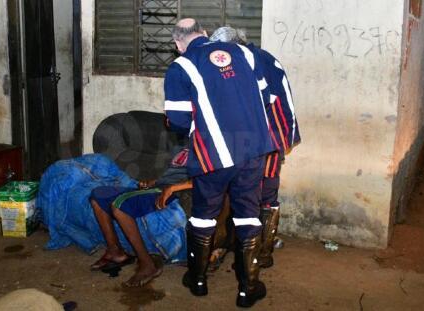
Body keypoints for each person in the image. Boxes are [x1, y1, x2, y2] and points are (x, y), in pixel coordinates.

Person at [164, 18, 274, 307]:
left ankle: (198, 281)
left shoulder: (180, 67)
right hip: (252, 149)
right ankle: (247, 287)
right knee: (248, 213)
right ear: (203, 33)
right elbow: (265, 96)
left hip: (212, 154)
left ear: (178, 44)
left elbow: (177, 120)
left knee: (204, 214)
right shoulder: (245, 53)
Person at [209, 26, 301, 268]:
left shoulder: (247, 62)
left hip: (263, 137)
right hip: (269, 135)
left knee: (258, 194)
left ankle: (256, 254)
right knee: (260, 193)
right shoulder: (262, 57)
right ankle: (260, 251)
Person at [89, 148, 192, 287]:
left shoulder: (207, 147)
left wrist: (172, 188)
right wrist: (153, 182)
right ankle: (115, 252)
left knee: (119, 206)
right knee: (98, 195)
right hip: (159, 187)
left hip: (172, 193)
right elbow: (171, 175)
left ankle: (147, 264)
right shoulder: (185, 146)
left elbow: (209, 179)